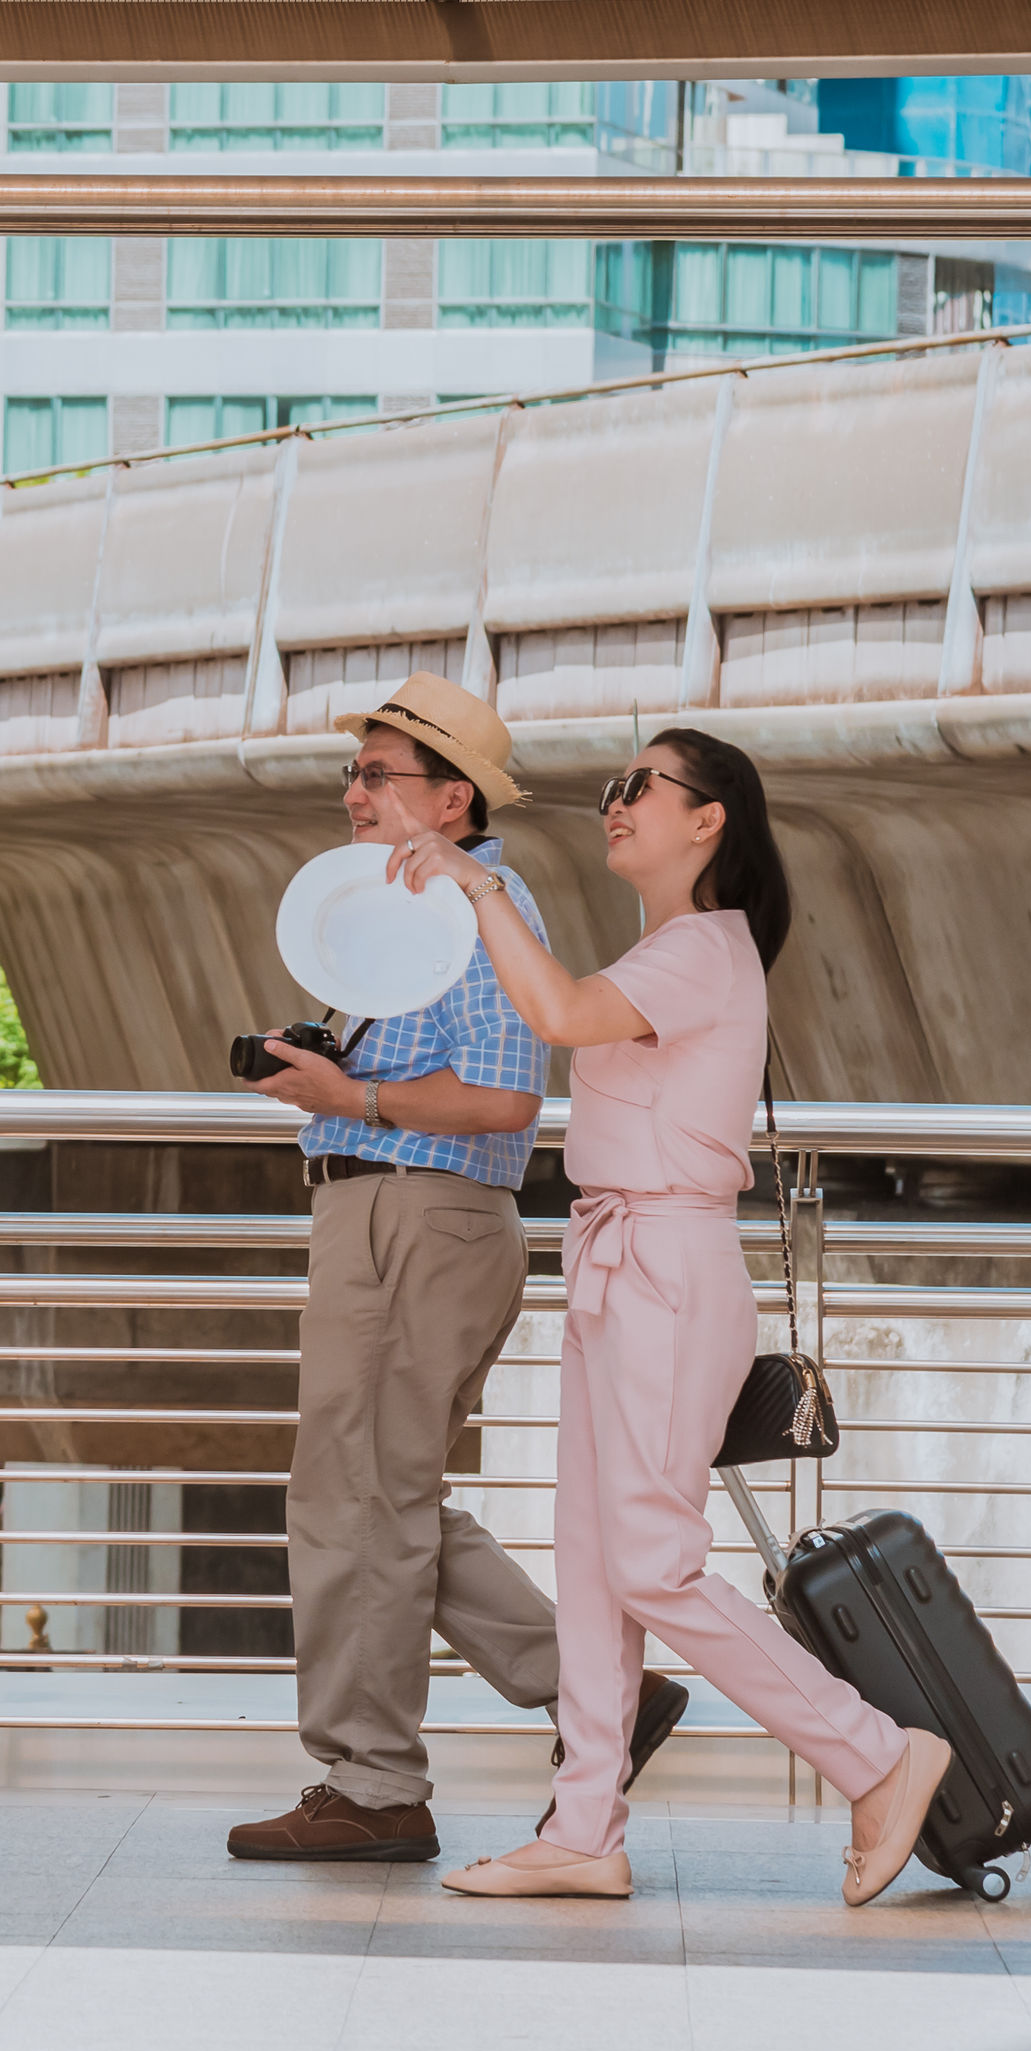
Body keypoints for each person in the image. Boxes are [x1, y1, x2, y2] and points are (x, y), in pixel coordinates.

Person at [369, 725, 952, 1904]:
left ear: (709, 819)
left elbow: (561, 1017)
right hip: (616, 1260)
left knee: (648, 1560)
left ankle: (880, 1754)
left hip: (670, 1268)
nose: (618, 803)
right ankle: (585, 1825)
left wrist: (477, 879)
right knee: (592, 1567)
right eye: (612, 788)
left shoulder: (703, 948)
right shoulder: (678, 949)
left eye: (644, 786)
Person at [224, 672, 688, 1864]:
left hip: (414, 1223)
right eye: (358, 772)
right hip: (396, 1220)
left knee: (356, 1503)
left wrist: (354, 1094)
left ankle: (375, 1785)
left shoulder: (482, 907)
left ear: (454, 795)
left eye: (380, 774)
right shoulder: (407, 908)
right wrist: (332, 1075)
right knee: (382, 1497)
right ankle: (599, 1693)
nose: (354, 794)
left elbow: (507, 1098)